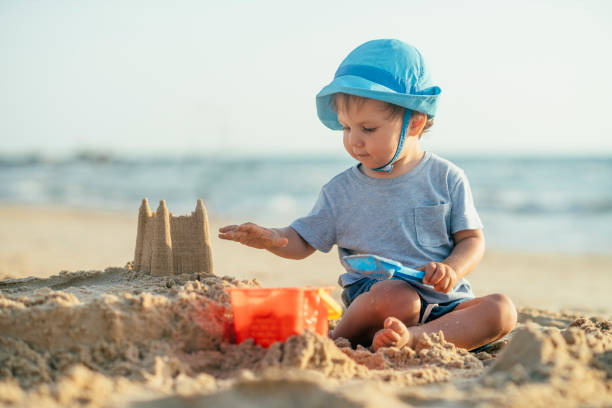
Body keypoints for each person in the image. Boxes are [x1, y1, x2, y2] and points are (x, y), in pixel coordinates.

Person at [219, 39, 517, 351]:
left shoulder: (447, 177)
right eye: (346, 129)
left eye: (368, 129)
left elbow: (472, 240)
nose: (354, 142)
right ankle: (337, 341)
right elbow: (303, 239)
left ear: (414, 122)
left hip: (442, 303)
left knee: (502, 309)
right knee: (399, 298)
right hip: (379, 300)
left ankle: (411, 340)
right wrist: (272, 237)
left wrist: (453, 268)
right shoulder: (340, 191)